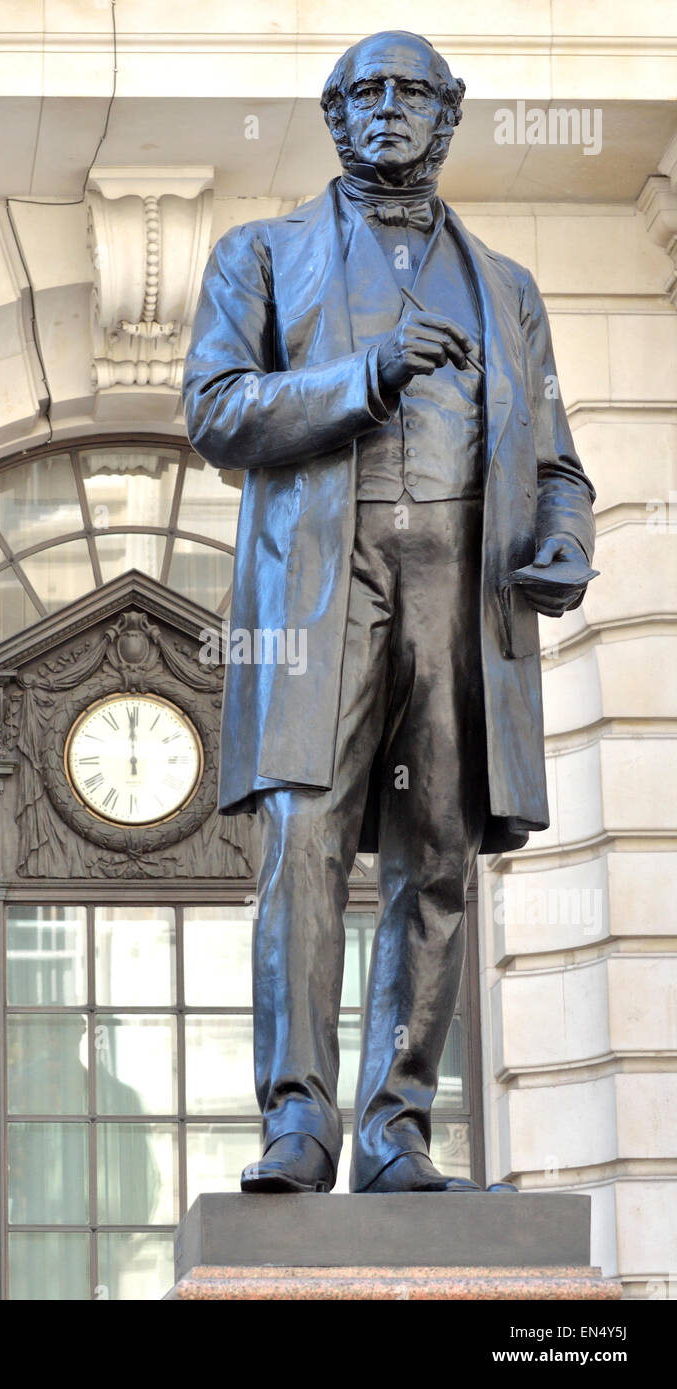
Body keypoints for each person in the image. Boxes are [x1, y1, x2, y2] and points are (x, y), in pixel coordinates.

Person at [183, 31, 596, 1195]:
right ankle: (298, 1124)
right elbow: (217, 410)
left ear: (447, 116)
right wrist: (363, 376)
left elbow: (555, 460)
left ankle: (395, 1126)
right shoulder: (259, 256)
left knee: (438, 857)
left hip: (460, 596)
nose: (384, 110)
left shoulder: (506, 291)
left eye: (408, 92)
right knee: (297, 849)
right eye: (361, 93)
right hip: (320, 587)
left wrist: (563, 537)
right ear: (332, 116)